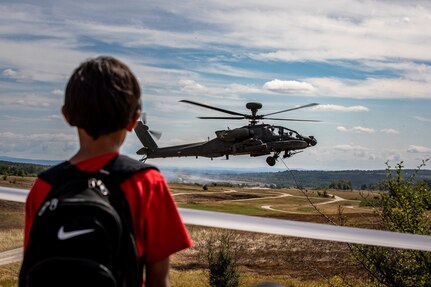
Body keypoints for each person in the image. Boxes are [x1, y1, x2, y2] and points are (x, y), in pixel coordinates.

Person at [23, 56, 192, 286]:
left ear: (66, 115)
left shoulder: (44, 186)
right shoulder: (147, 183)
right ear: (133, 121)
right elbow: (159, 277)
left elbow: (32, 265)